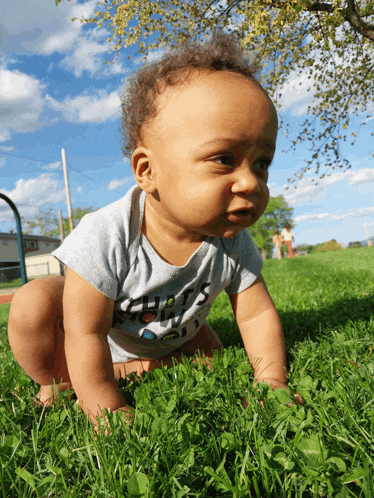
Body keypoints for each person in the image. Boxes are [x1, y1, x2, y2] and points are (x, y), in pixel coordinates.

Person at [8, 31, 302, 425]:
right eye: (224, 158)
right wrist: (106, 409)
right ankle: (59, 382)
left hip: (171, 338)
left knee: (209, 358)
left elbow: (255, 316)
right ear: (148, 171)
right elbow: (86, 333)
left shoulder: (230, 241)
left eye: (262, 163)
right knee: (34, 302)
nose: (251, 182)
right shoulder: (106, 236)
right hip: (102, 343)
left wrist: (272, 380)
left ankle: (143, 366)